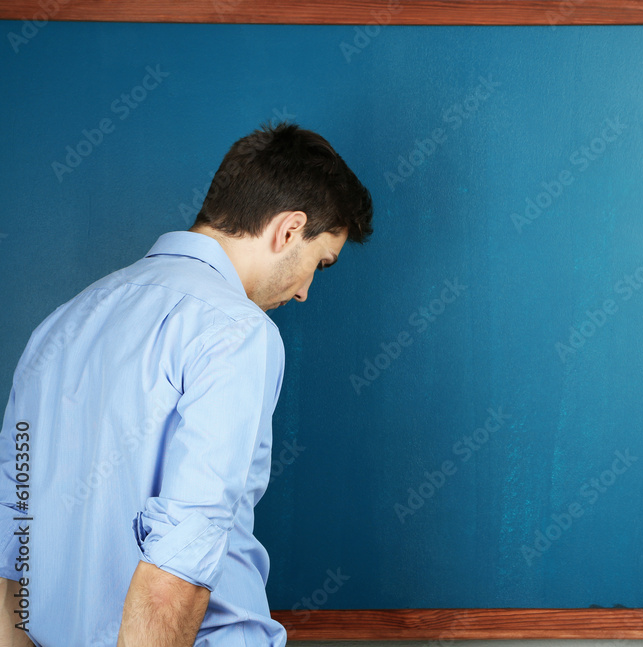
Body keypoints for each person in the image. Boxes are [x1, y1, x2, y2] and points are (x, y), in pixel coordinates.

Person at [0, 122, 373, 646]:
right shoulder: (238, 331)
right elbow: (172, 576)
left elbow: (10, 537)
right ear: (289, 230)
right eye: (320, 263)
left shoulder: (59, 325)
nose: (306, 290)